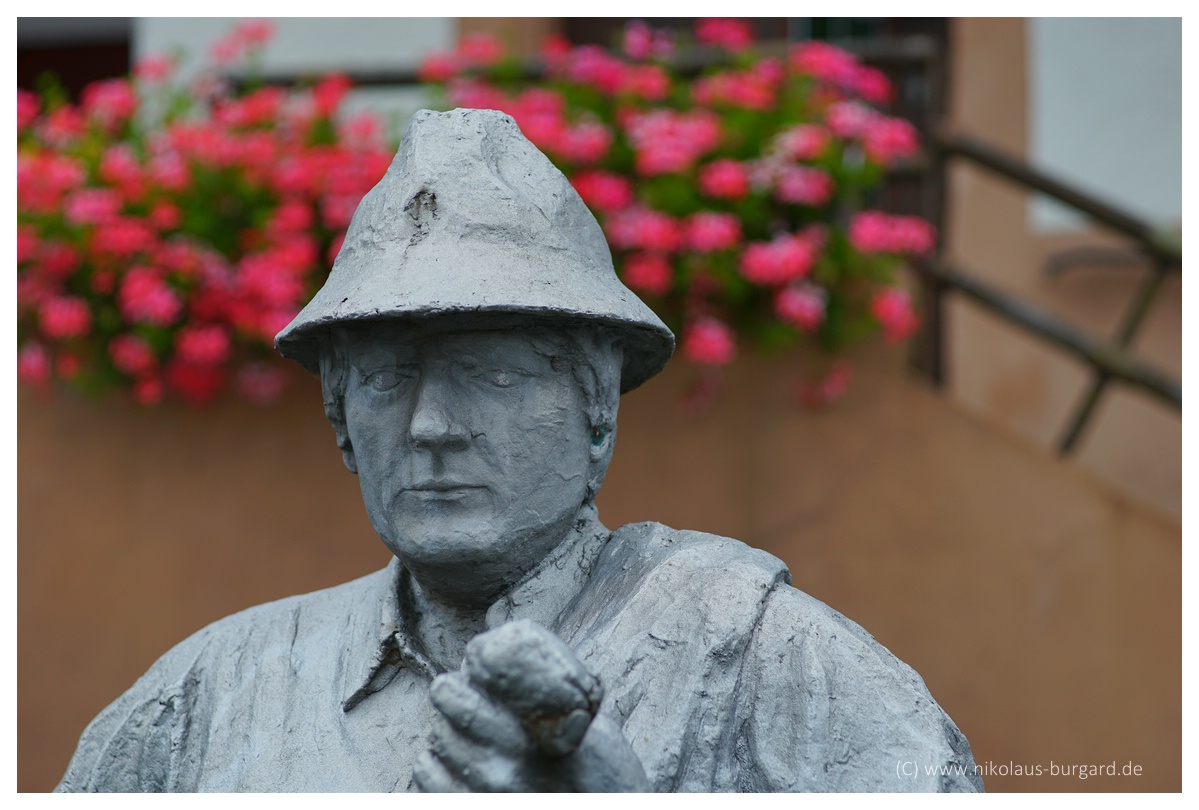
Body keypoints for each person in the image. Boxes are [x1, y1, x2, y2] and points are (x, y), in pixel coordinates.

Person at [57, 108, 983, 793]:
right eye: (385, 379)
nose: (430, 425)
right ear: (339, 418)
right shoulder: (210, 692)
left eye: (493, 375)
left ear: (596, 408)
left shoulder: (764, 663)